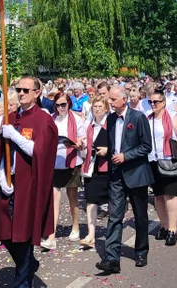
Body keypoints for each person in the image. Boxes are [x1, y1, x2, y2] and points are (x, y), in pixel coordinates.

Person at [0, 77, 57, 288]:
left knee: (24, 235)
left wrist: (16, 137)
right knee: (6, 233)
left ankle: (22, 282)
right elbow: (2, 154)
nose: (21, 93)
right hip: (9, 183)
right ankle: (28, 264)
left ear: (37, 93)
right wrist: (2, 177)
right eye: (19, 90)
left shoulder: (44, 120)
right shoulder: (9, 118)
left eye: (26, 90)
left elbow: (40, 152)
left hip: (29, 185)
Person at [96, 86, 152, 275]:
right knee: (114, 216)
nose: (110, 102)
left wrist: (126, 156)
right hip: (116, 175)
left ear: (124, 99)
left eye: (113, 99)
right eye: (109, 99)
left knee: (140, 215)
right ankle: (112, 258)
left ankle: (141, 251)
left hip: (136, 173)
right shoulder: (111, 118)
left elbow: (146, 146)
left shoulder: (138, 118)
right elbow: (113, 143)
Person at [42, 90, 85, 251]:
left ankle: (75, 227)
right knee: (53, 198)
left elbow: (82, 140)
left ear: (69, 104)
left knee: (72, 196)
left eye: (63, 105)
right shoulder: (51, 119)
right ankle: (51, 236)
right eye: (58, 105)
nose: (61, 108)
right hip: (54, 163)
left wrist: (76, 144)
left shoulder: (76, 119)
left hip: (71, 161)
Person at [147, 88, 177, 245]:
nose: (152, 104)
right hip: (152, 161)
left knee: (170, 195)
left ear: (163, 103)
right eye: (150, 102)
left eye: (155, 102)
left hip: (170, 160)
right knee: (158, 196)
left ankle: (172, 229)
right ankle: (164, 226)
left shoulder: (172, 117)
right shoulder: (148, 118)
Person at [79, 96, 110, 250]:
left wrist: (108, 151)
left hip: (108, 167)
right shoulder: (88, 125)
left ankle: (112, 233)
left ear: (106, 108)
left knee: (111, 200)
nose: (97, 109)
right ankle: (91, 234)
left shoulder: (111, 124)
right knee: (91, 200)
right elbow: (84, 144)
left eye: (100, 106)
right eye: (95, 107)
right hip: (91, 166)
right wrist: (81, 145)